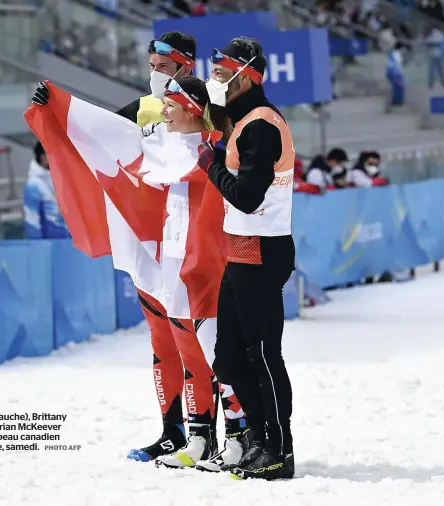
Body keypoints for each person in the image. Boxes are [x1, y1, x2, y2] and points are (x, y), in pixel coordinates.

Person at [30, 76, 249, 469]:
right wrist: (60, 108)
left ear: (190, 108)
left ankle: (238, 438)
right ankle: (198, 437)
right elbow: (106, 135)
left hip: (207, 263)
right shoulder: (157, 145)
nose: (161, 110)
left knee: (221, 357)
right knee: (188, 354)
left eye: (169, 104)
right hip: (172, 263)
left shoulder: (216, 147)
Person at [199, 36, 296, 481]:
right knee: (230, 357)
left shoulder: (261, 124)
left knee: (261, 352)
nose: (214, 81)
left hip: (262, 247)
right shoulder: (243, 119)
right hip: (242, 248)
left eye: (221, 75)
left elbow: (246, 195)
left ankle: (278, 448)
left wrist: (211, 164)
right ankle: (260, 439)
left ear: (245, 77)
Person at [23, 141, 70, 239]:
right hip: (50, 246)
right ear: (43, 157)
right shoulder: (33, 185)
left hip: (68, 244)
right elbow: (32, 222)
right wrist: (40, 250)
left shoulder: (60, 179)